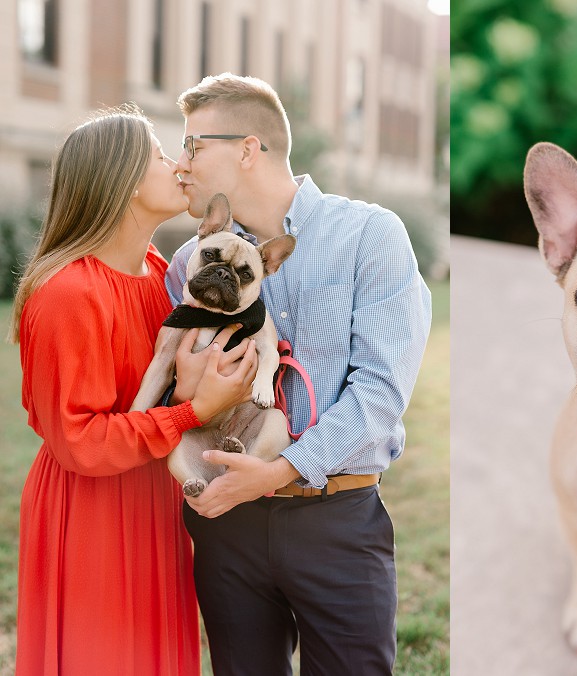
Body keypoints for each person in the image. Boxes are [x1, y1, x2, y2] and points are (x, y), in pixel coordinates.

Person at [165, 73, 432, 674]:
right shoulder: (190, 261)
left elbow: (381, 394)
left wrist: (278, 470)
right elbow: (180, 387)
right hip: (224, 520)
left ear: (247, 149)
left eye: (194, 146)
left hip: (334, 518)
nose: (181, 164)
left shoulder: (370, 235)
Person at [10, 105, 258, 675]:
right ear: (120, 180)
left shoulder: (156, 274)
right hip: (91, 512)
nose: (177, 166)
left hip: (154, 499)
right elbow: (79, 441)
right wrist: (194, 411)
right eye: (159, 154)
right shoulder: (67, 293)